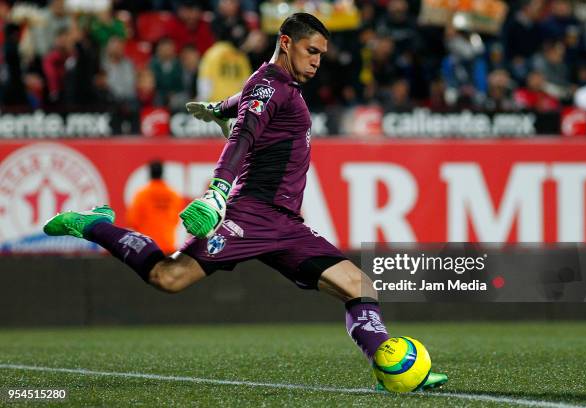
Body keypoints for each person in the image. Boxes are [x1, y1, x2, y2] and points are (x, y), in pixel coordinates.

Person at [43, 13, 446, 391]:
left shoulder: (276, 86)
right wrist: (218, 192)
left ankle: (390, 370)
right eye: (312, 51)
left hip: (286, 223)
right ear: (286, 43)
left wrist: (221, 108)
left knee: (359, 285)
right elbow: (243, 136)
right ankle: (93, 222)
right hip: (250, 213)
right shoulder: (270, 83)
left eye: (322, 54)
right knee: (168, 277)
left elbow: (250, 101)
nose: (318, 61)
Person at [126, 160, 184, 255]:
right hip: (168, 246)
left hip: (147, 247)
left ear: (149, 173)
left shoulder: (141, 195)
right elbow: (176, 220)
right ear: (162, 173)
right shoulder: (173, 195)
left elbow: (133, 221)